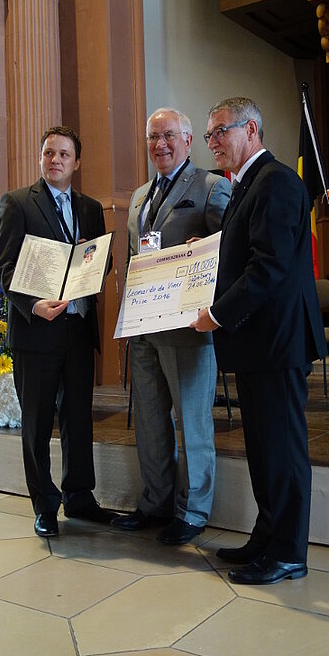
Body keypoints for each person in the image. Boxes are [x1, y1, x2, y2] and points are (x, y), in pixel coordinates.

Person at [191, 97, 326, 584]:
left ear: (251, 130)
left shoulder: (277, 181)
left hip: (277, 342)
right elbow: (246, 248)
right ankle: (267, 536)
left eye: (220, 131)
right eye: (208, 135)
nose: (213, 142)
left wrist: (217, 315)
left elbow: (268, 265)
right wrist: (206, 251)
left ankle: (288, 552)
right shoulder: (247, 183)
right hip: (257, 343)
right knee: (264, 449)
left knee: (282, 450)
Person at [112, 107, 231, 544]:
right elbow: (133, 258)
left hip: (188, 330)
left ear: (188, 140)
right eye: (152, 137)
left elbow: (233, 249)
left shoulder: (211, 187)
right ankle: (156, 502)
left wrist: (210, 249)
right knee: (149, 421)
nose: (159, 144)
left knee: (192, 423)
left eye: (168, 136)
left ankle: (193, 512)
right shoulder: (139, 196)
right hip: (143, 328)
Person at [0, 126, 118, 538]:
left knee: (78, 418)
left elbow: (103, 262)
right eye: (49, 153)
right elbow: (3, 268)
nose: (55, 160)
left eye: (64, 154)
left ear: (76, 162)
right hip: (37, 330)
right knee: (37, 421)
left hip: (78, 327)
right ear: (41, 157)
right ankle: (45, 506)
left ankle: (79, 497)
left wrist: (92, 257)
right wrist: (33, 305)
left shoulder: (90, 208)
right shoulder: (17, 203)